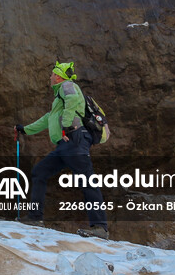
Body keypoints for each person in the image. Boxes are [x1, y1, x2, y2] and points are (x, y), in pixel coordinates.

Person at [14, 61, 109, 238]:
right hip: (65, 145)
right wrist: (25, 129)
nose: (49, 77)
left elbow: (73, 101)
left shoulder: (67, 86)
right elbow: (47, 119)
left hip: (75, 140)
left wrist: (66, 126)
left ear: (58, 76)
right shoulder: (59, 99)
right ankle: (35, 218)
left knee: (87, 182)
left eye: (52, 74)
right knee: (39, 172)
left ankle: (100, 228)